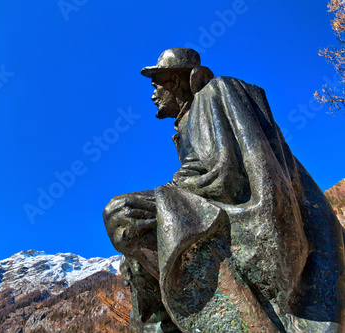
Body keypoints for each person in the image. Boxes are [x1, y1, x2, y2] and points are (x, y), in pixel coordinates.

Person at [104, 48, 345, 332]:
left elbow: (225, 173)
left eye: (157, 84)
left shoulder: (216, 93)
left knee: (122, 213)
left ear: (178, 81)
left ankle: (248, 324)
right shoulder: (186, 125)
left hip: (250, 216)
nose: (153, 94)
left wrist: (172, 193)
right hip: (217, 211)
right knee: (133, 256)